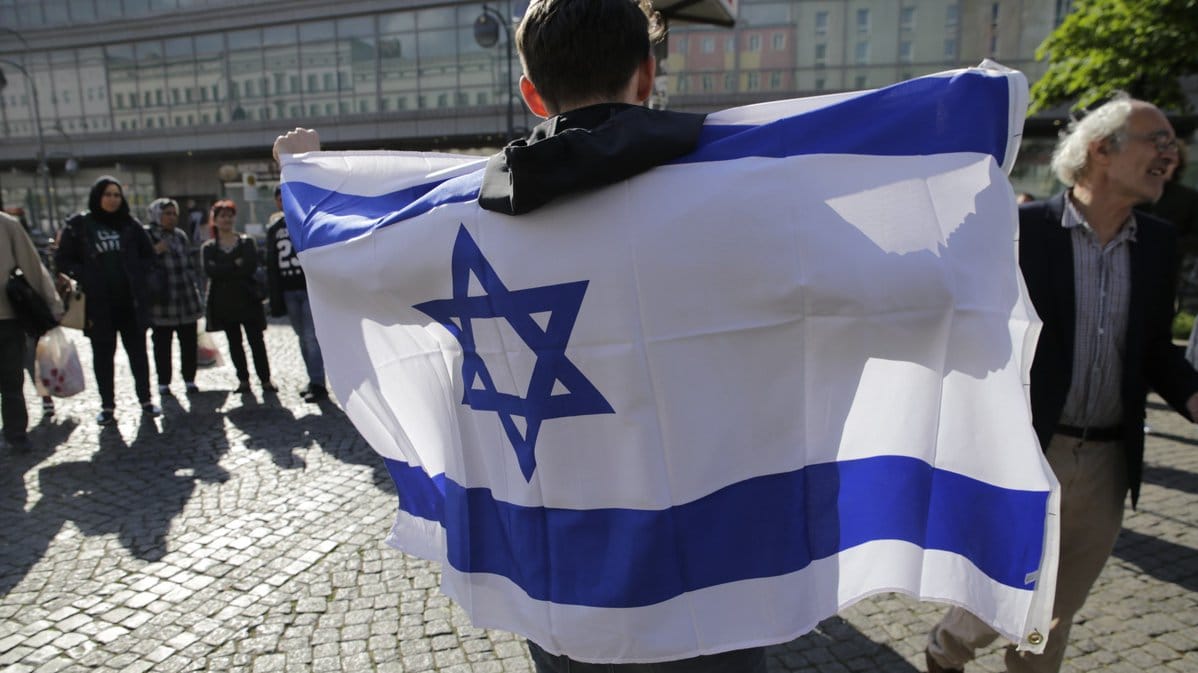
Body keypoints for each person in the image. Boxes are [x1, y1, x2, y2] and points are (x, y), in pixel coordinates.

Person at [275, 1, 762, 670]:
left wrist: (302, 177)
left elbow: (346, 254)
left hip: (560, 580)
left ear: (532, 92)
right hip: (710, 579)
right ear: (647, 77)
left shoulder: (456, 223)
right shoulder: (741, 200)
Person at [924, 95, 1198, 673]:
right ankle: (947, 649)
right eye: (1159, 141)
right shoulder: (1023, 231)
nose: (1172, 157)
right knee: (1002, 585)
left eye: (1173, 146)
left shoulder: (1158, 242)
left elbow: (1153, 350)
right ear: (1102, 149)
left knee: (1058, 608)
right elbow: (972, 328)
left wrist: (1193, 395)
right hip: (1028, 450)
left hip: (1107, 460)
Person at [56, 177, 162, 425]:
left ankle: (146, 400)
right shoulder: (81, 225)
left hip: (131, 302)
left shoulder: (130, 224)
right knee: (103, 356)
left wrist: (138, 272)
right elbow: (63, 259)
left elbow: (150, 256)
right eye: (107, 194)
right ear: (97, 197)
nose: (113, 199)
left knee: (138, 353)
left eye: (116, 195)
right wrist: (86, 276)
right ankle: (107, 406)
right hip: (98, 304)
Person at [1, 201, 63, 452]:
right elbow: (32, 267)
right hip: (6, 316)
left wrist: (52, 304)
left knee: (11, 379)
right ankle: (16, 435)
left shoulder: (7, 225)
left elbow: (32, 266)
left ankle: (16, 434)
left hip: (7, 317)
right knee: (11, 381)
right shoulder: (7, 224)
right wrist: (52, 304)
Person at [201, 199, 276, 394]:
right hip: (224, 304)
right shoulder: (209, 247)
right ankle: (243, 380)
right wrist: (234, 264)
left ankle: (265, 379)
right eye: (222, 216)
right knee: (234, 343)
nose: (226, 220)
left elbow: (249, 267)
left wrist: (226, 268)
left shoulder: (246, 242)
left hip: (248, 300)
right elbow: (211, 272)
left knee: (256, 342)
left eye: (229, 215)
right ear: (215, 220)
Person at [266, 186, 326, 402]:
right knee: (302, 338)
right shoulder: (275, 229)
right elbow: (271, 264)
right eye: (279, 199)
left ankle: (319, 384)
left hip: (308, 289)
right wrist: (274, 298)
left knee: (311, 337)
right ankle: (312, 379)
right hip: (288, 291)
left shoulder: (307, 222)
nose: (283, 202)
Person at [145, 198, 204, 395]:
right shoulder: (148, 235)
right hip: (162, 301)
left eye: (173, 214)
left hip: (185, 298)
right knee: (162, 344)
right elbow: (140, 264)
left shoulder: (180, 236)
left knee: (188, 343)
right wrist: (154, 252)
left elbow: (189, 263)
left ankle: (189, 379)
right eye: (166, 213)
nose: (171, 218)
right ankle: (164, 382)